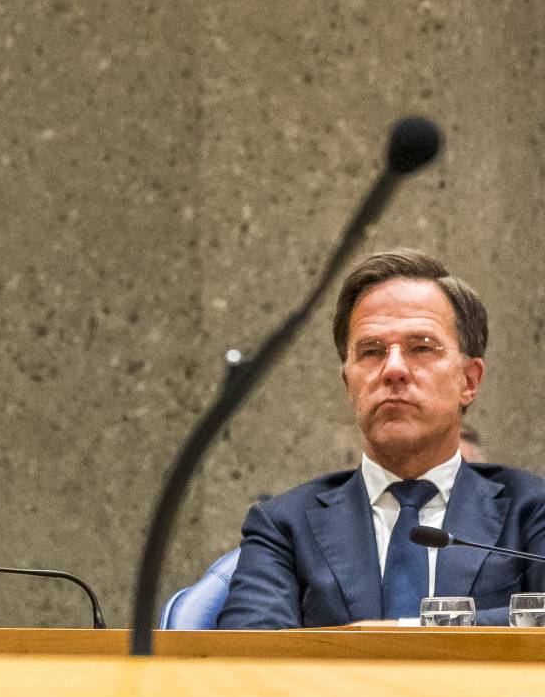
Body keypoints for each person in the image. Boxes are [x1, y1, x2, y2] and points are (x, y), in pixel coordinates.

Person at [218, 248, 545, 629]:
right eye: (371, 351)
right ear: (348, 383)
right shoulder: (284, 526)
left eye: (421, 347)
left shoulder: (530, 510)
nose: (393, 369)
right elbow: (250, 647)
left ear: (469, 381)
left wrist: (400, 632)